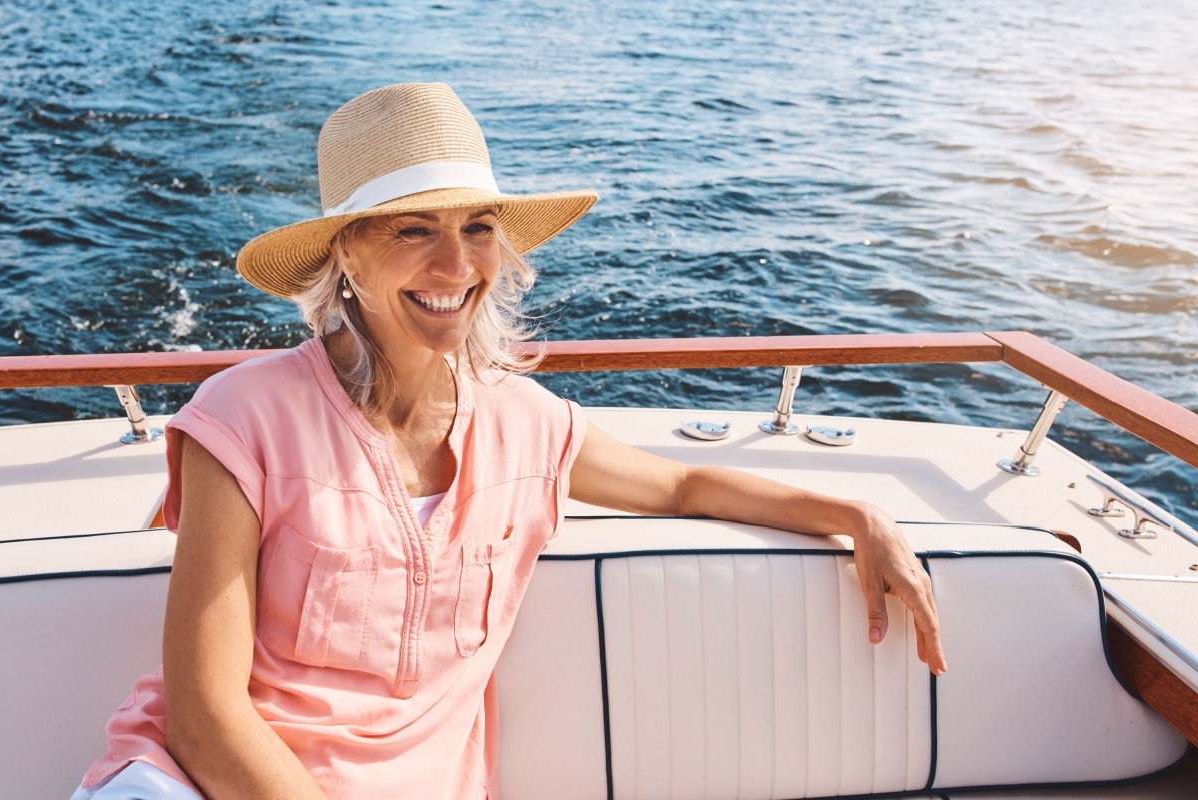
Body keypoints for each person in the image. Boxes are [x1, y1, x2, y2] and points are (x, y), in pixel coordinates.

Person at [72, 82, 946, 800]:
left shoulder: (528, 423)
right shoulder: (242, 418)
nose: (457, 266)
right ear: (347, 256)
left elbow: (683, 490)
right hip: (193, 784)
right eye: (416, 229)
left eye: (477, 228)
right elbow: (203, 713)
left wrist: (858, 513)